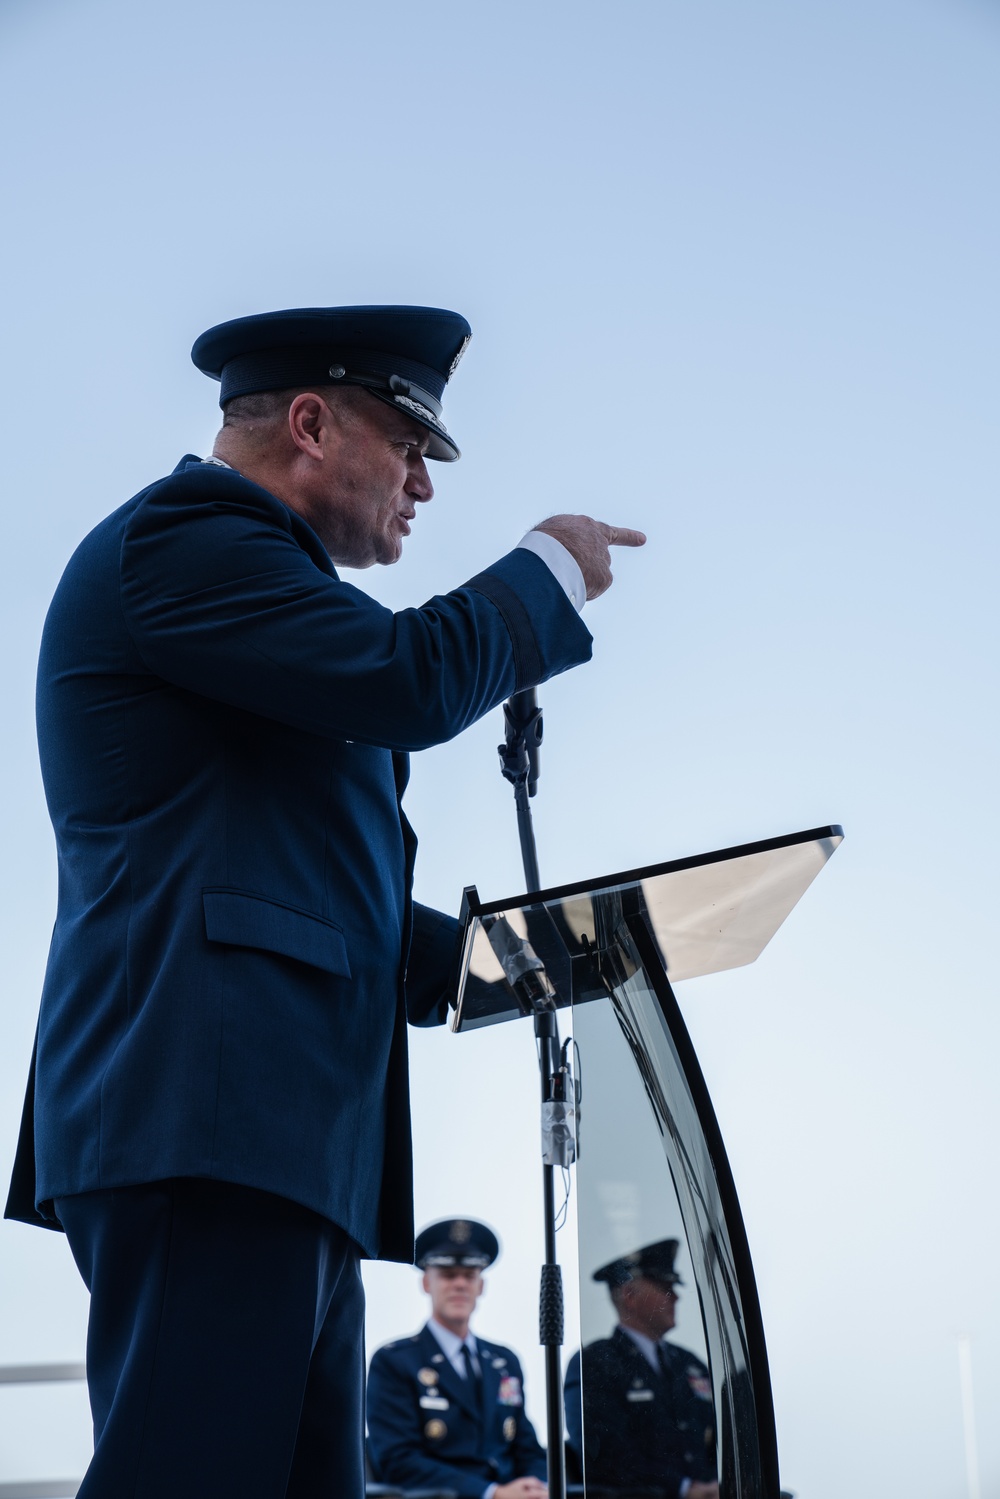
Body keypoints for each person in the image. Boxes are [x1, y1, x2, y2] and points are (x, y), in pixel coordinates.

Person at [4, 303, 644, 1499]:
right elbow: (412, 678)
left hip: (276, 1134)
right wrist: (548, 566)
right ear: (308, 422)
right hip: (205, 1115)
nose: (423, 486)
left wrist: (535, 957)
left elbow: (313, 887)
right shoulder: (191, 540)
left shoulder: (261, 603)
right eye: (408, 446)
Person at [367, 1218, 547, 1499]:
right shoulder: (394, 1362)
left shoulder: (503, 1362)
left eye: (469, 1274)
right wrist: (492, 1493)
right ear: (427, 1283)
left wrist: (537, 1487)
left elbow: (527, 1447)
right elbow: (398, 1461)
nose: (460, 1284)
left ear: (481, 1285)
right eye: (449, 1274)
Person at [564, 1239, 718, 1499]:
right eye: (664, 1287)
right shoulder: (595, 1363)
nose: (677, 1296)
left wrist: (717, 1485)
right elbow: (603, 1454)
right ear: (630, 1296)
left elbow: (720, 1438)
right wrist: (682, 1489)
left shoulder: (690, 1363)